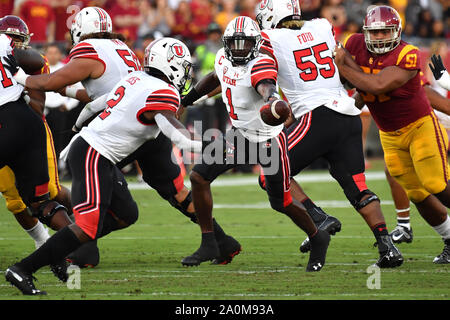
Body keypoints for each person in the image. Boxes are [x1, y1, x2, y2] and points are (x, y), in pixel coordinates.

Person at [4, 37, 205, 296]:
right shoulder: (163, 92)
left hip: (93, 151)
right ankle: (22, 269)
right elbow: (178, 136)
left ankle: (56, 249)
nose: (186, 74)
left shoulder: (138, 80)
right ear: (172, 66)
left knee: (125, 214)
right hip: (94, 154)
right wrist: (214, 147)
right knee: (87, 227)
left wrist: (77, 131)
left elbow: (96, 105)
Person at [254, 0, 403, 268]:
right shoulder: (322, 26)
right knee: (358, 187)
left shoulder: (268, 37)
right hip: (346, 114)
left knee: (271, 171)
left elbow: (261, 72)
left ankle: (316, 217)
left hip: (316, 115)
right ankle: (387, 246)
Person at [180, 16, 331, 272]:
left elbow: (266, 86)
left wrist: (273, 101)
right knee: (198, 177)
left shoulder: (260, 62)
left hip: (268, 140)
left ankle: (318, 236)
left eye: (245, 43)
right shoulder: (222, 58)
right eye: (235, 44)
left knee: (281, 202)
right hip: (239, 136)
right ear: (227, 44)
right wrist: (188, 99)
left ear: (256, 43)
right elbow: (215, 77)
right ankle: (210, 242)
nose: (239, 49)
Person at [334, 5, 450, 264]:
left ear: (396, 31)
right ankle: (449, 239)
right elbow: (357, 89)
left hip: (420, 126)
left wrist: (344, 66)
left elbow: (377, 85)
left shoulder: (408, 53)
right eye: (373, 33)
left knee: (435, 184)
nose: (378, 38)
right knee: (417, 194)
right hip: (389, 134)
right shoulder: (354, 43)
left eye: (384, 31)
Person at [0, 16, 72, 279]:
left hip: (30, 131)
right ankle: (44, 243)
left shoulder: (26, 60)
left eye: (18, 40)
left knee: (50, 192)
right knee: (15, 202)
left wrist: (20, 74)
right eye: (12, 39)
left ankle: (82, 230)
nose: (15, 44)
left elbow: (38, 108)